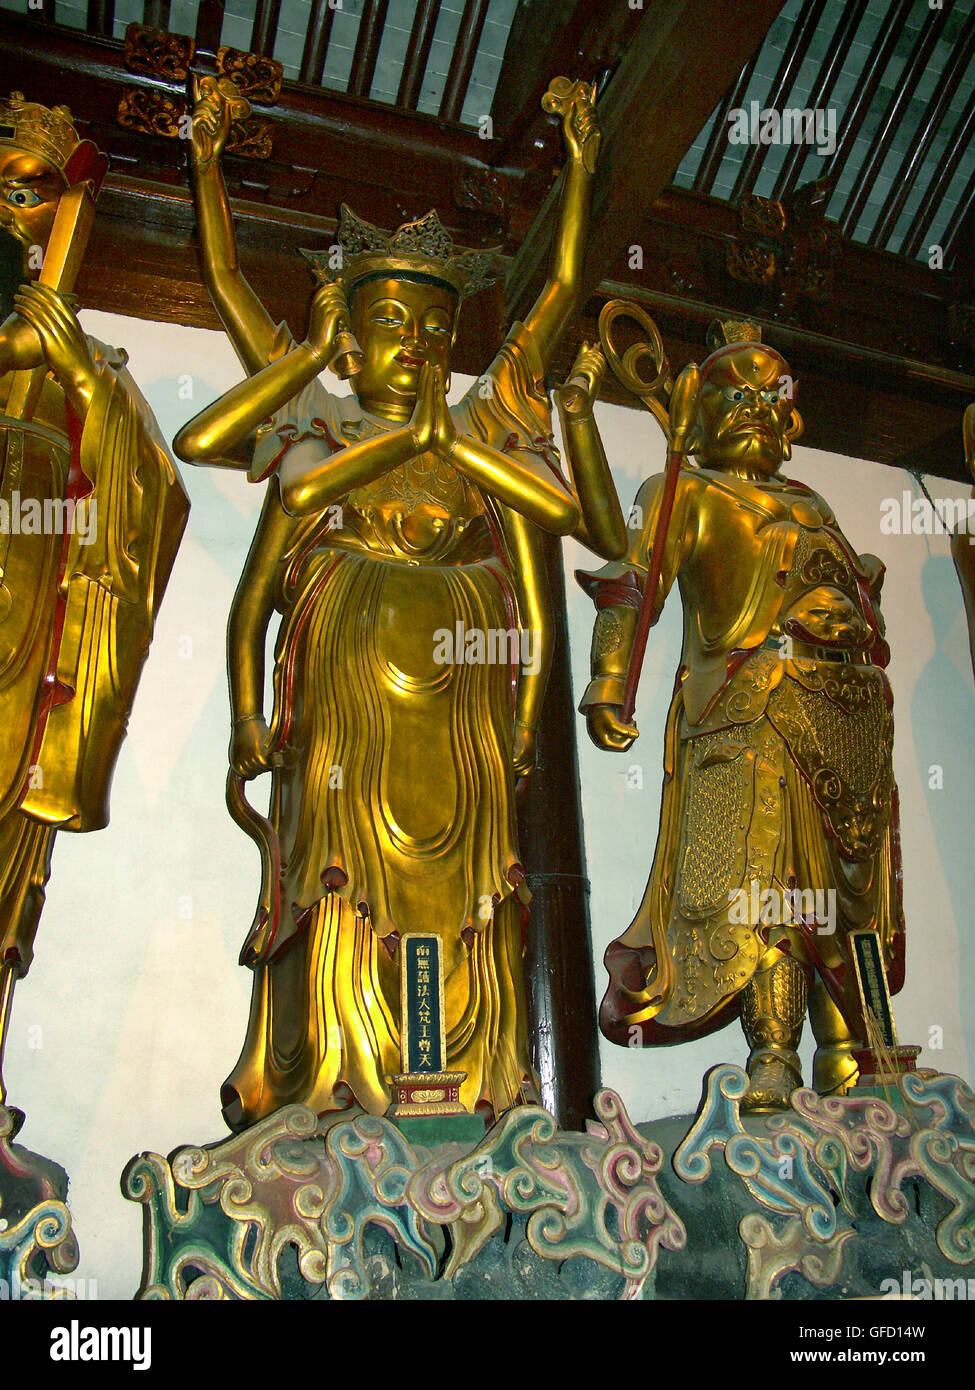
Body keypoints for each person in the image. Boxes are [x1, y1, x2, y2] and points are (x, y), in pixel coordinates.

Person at [174, 77, 624, 1128]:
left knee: (472, 886)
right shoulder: (320, 423)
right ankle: (334, 1071)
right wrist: (204, 160)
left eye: (432, 325)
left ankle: (475, 1077)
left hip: (463, 693)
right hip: (344, 680)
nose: (413, 343)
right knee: (343, 871)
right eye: (388, 320)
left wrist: (585, 164)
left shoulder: (476, 436)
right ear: (349, 337)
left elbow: (558, 294)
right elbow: (229, 279)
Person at [576, 319, 905, 1112]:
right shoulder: (683, 492)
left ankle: (857, 1048)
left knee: (854, 895)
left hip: (851, 720)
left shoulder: (812, 500)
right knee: (769, 891)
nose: (758, 409)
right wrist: (607, 683)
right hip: (751, 714)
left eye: (772, 396)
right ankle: (774, 1054)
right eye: (738, 395)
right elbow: (632, 584)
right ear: (701, 414)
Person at [0, 93, 189, 1108]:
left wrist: (81, 377)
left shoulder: (78, 360)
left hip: (23, 666)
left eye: (26, 194)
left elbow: (155, 494)